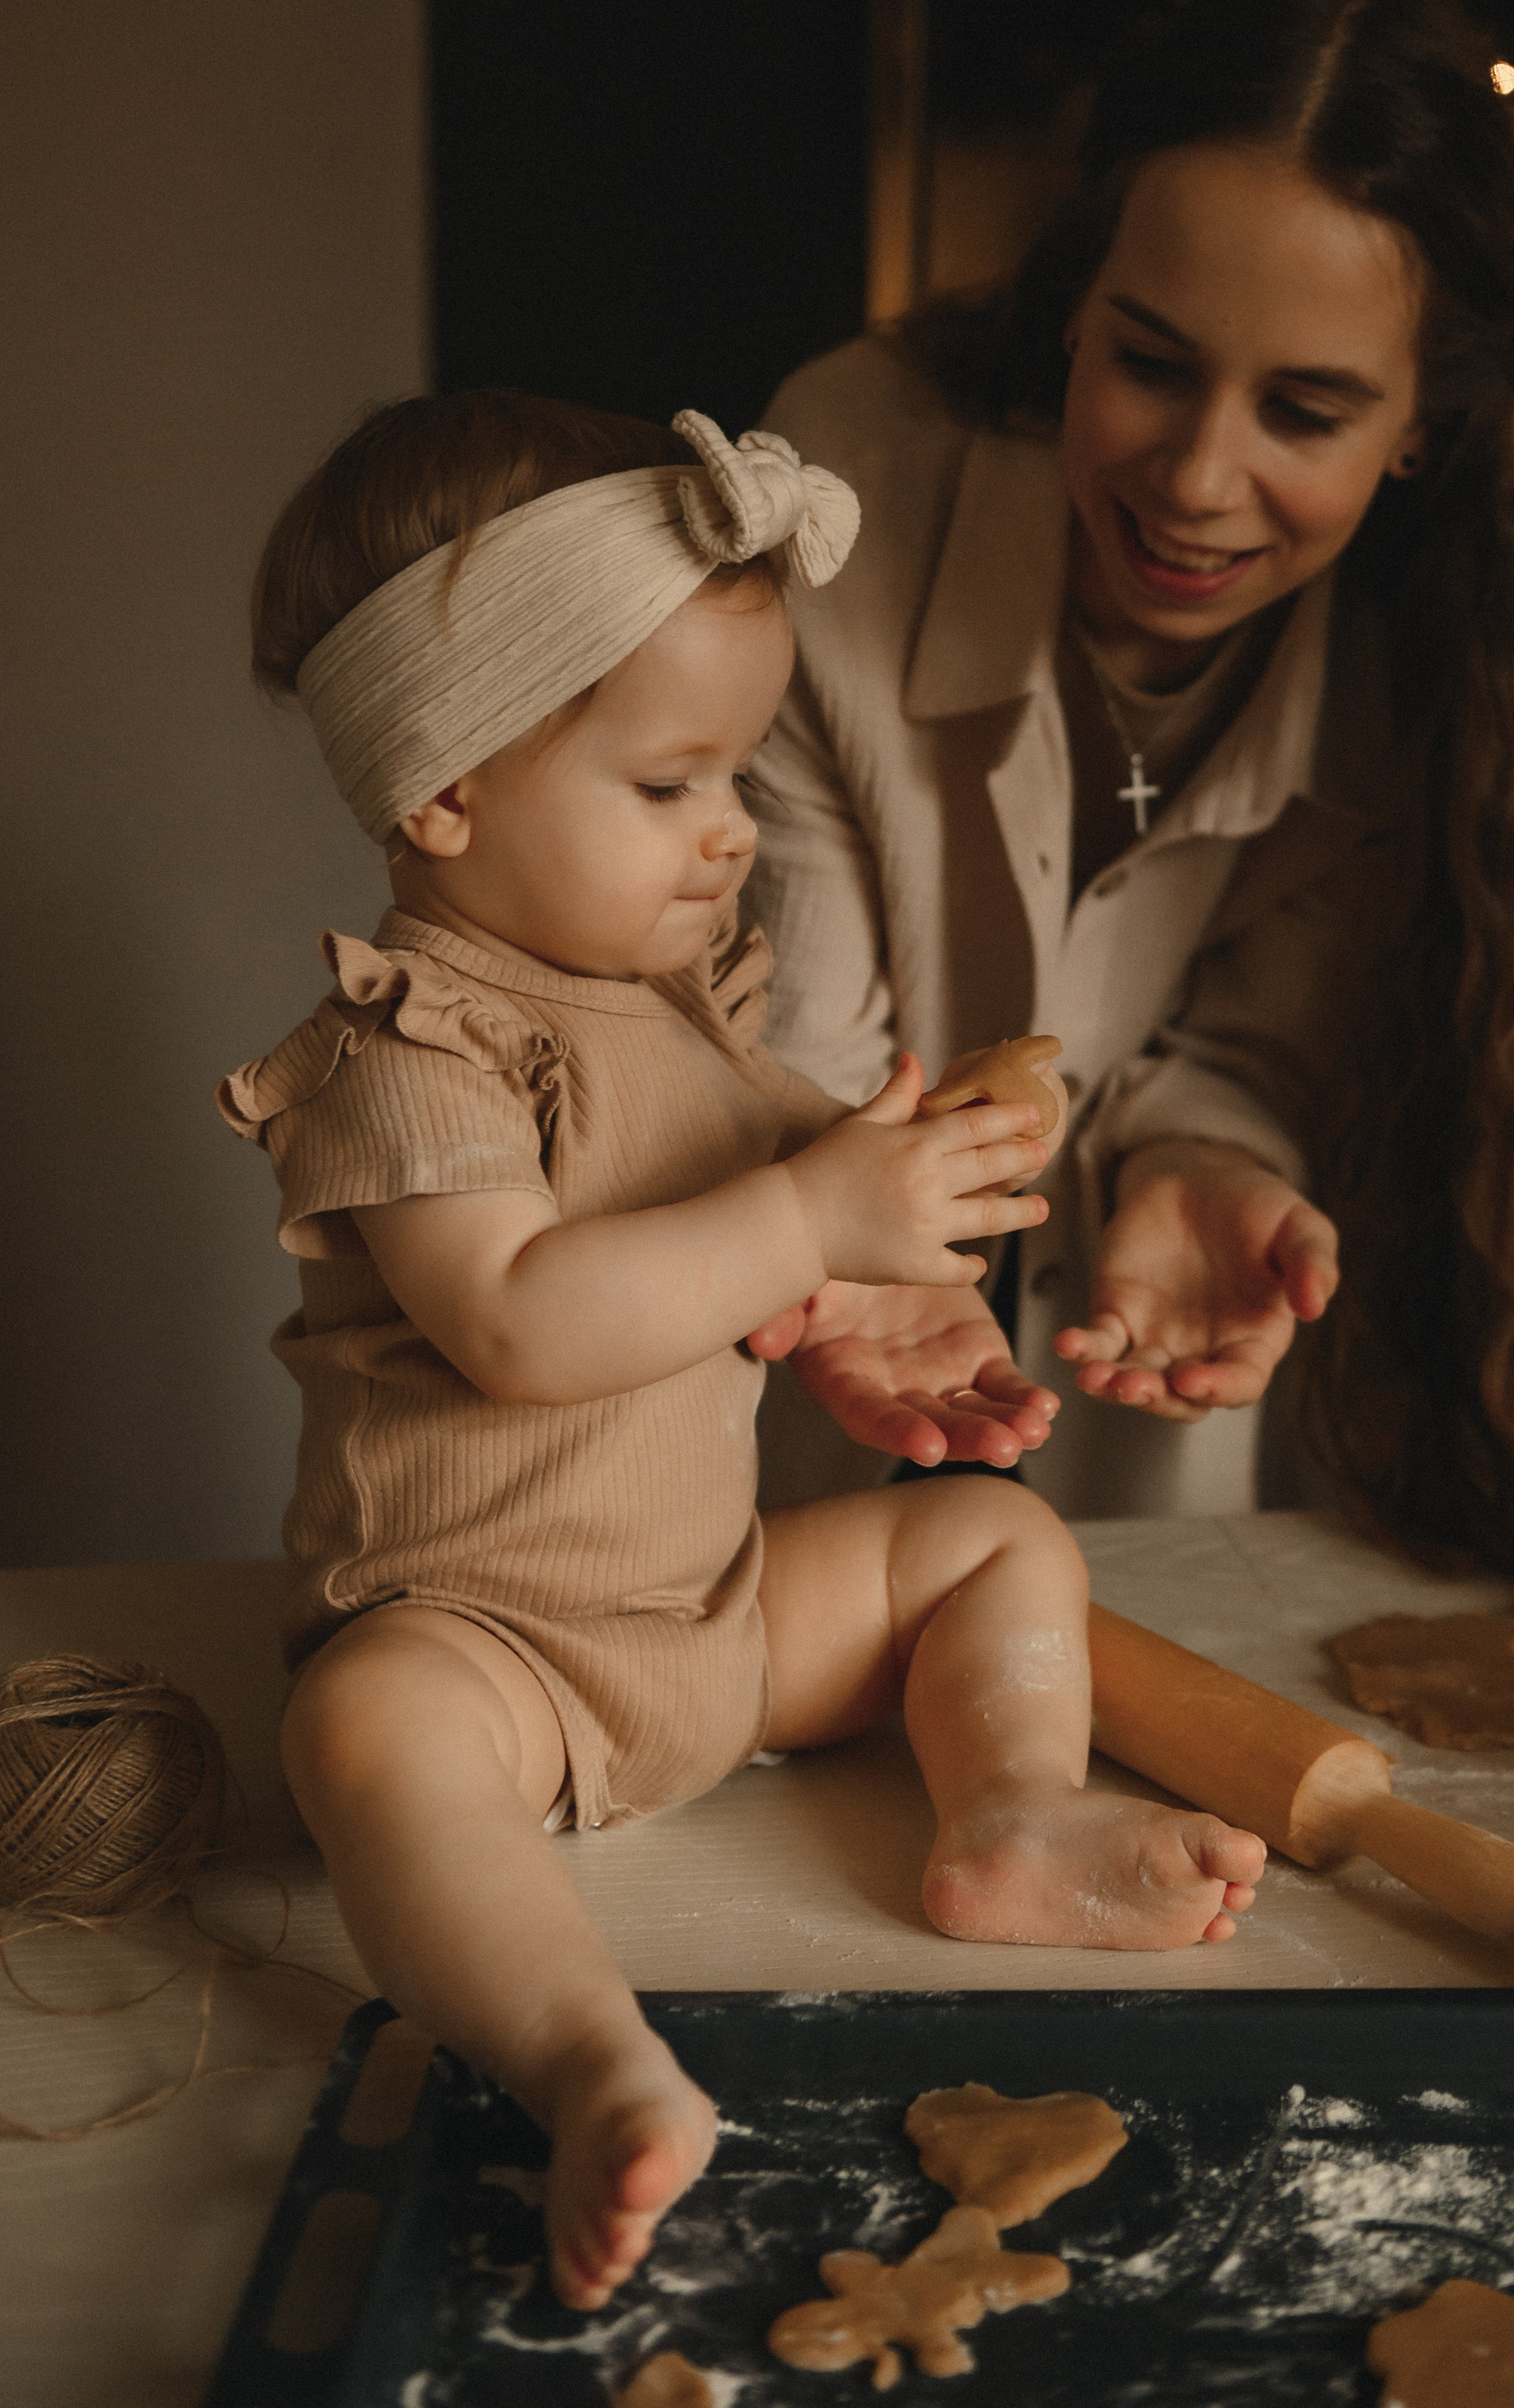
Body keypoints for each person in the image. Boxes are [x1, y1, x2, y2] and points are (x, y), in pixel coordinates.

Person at [219, 394, 1265, 2311]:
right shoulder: (408, 1051)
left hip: (714, 1616)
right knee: (359, 1732)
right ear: (443, 792)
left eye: (736, 778)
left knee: (989, 1535)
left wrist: (884, 1298)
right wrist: (800, 1224)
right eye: (667, 785)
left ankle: (1006, 1811)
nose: (725, 841)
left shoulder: (688, 1007)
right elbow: (524, 1317)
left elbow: (776, 1242)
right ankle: (582, 2056)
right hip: (490, 1645)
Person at [745, 0, 1514, 1647]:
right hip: (769, 1457)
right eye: (1148, 363)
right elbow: (791, 1052)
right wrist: (841, 1234)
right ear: (1075, 295)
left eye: (1306, 408)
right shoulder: (843, 494)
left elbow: (1244, 1043)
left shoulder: (1413, 662)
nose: (1197, 480)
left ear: (1420, 427)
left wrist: (1205, 1156)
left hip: (1140, 1499)